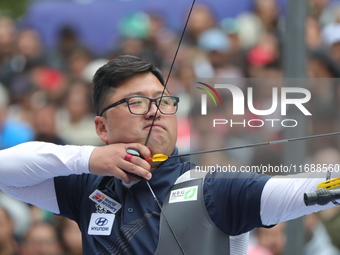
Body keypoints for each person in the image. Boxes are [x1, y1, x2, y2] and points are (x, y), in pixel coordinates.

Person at [0, 55, 339, 255]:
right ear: (102, 128)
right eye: (136, 102)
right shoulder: (89, 188)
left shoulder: (214, 189)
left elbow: (314, 188)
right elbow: (5, 171)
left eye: (163, 101)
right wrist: (88, 159)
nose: (155, 112)